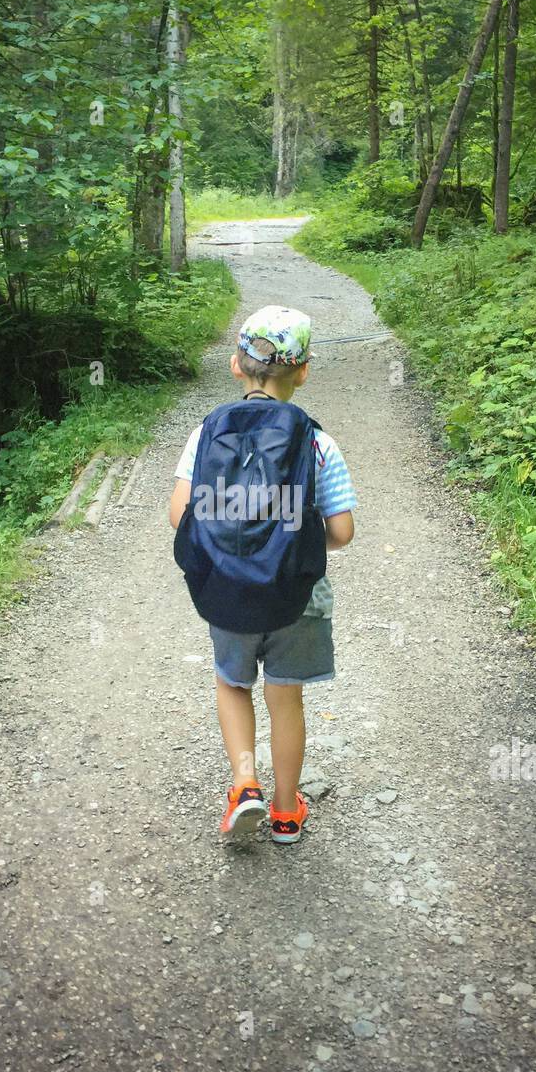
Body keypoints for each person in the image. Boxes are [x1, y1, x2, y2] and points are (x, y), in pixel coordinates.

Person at [169, 306, 356, 844]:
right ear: (303, 371)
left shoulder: (207, 432)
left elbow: (180, 516)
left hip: (226, 588)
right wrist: (290, 536)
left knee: (233, 684)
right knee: (286, 695)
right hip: (296, 595)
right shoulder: (317, 441)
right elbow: (341, 532)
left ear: (235, 365)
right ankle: (285, 813)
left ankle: (244, 784)